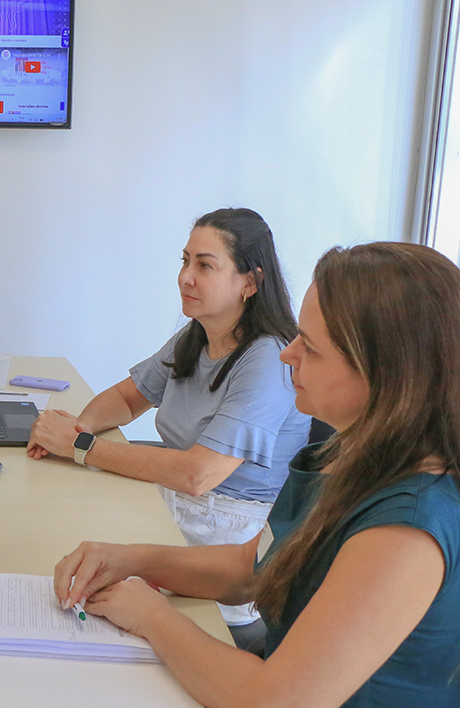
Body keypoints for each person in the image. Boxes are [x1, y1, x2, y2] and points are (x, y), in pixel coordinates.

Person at [56, 242, 460, 706]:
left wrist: (152, 616)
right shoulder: (341, 456)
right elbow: (254, 567)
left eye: (311, 348)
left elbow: (274, 700)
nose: (287, 355)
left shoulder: (408, 528)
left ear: (387, 376)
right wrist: (131, 560)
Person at [28, 208, 311, 632]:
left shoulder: (267, 359)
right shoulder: (196, 335)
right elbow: (127, 397)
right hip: (177, 509)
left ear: (249, 283)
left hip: (224, 540)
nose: (186, 277)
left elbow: (199, 474)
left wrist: (80, 448)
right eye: (185, 261)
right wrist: (76, 429)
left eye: (205, 265)